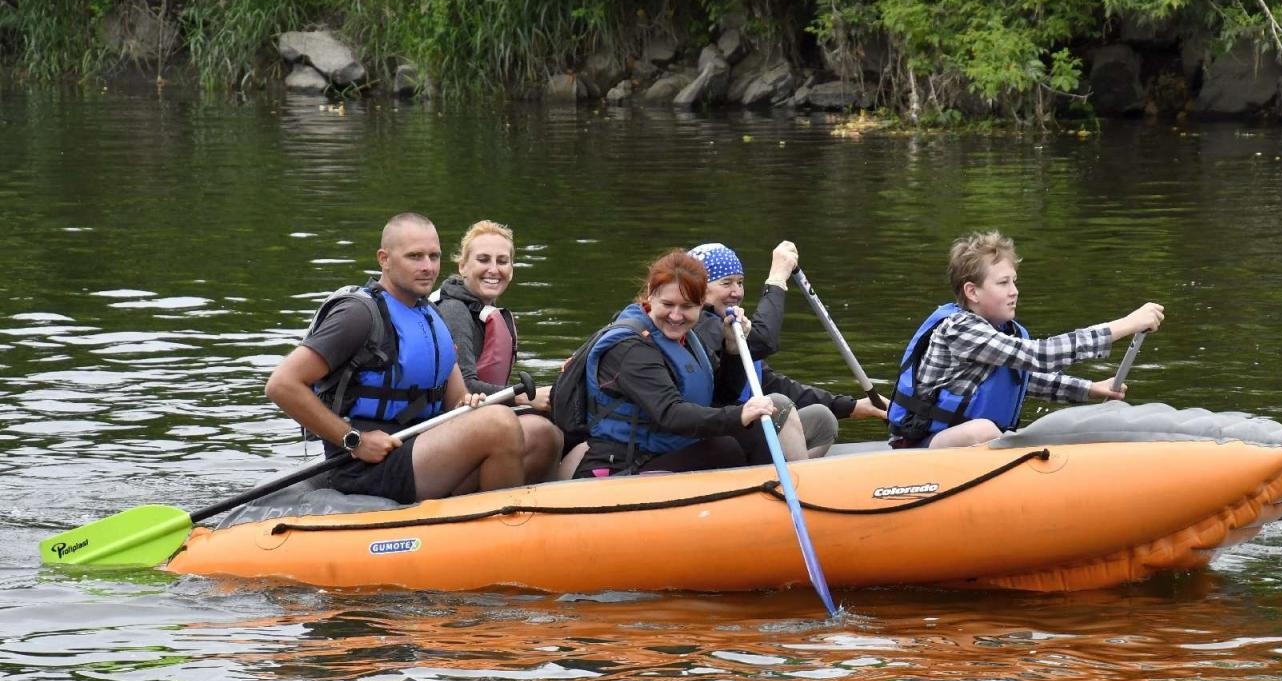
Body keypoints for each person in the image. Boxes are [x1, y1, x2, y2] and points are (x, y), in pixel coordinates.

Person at [266, 211, 562, 501]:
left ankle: (529, 529)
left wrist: (468, 403)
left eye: (434, 257)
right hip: (368, 464)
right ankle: (500, 532)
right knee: (498, 423)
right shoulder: (357, 315)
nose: (428, 267)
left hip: (419, 446)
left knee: (542, 434)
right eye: (415, 257)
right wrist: (353, 440)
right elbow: (281, 385)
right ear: (384, 259)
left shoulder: (431, 314)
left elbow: (457, 398)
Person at [889, 230, 1165, 448]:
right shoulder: (960, 330)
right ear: (972, 292)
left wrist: (1089, 389)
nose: (1014, 291)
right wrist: (1126, 325)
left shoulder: (998, 330)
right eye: (1003, 283)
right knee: (984, 430)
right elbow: (1040, 357)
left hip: (963, 444)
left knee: (1043, 429)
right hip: (923, 447)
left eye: (1014, 281)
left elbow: (1024, 378)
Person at [572, 249, 805, 478]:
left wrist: (732, 350)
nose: (676, 315)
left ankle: (783, 494)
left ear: (701, 304)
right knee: (724, 448)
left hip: (668, 450)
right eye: (668, 304)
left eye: (687, 307)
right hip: (624, 465)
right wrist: (738, 415)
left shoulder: (687, 338)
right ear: (650, 297)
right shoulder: (630, 348)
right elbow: (670, 414)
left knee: (754, 431)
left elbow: (719, 398)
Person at [689, 241, 887, 460]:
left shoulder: (730, 324)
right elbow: (764, 340)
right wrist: (777, 279)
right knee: (779, 405)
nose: (737, 292)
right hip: (715, 439)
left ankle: (786, 476)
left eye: (740, 282)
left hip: (743, 433)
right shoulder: (698, 325)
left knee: (822, 419)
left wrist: (855, 406)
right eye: (726, 283)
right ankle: (798, 483)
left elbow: (778, 385)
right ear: (699, 288)